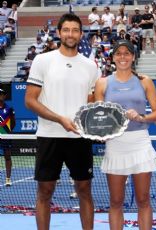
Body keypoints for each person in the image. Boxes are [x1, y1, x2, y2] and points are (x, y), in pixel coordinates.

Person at [25, 13, 98, 230]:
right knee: (45, 192)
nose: (70, 34)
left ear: (81, 34)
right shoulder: (42, 60)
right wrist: (59, 119)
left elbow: (91, 103)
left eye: (75, 30)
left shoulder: (90, 66)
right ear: (58, 33)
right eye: (66, 30)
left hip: (79, 138)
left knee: (85, 190)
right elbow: (29, 100)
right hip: (49, 136)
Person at [94, 39, 156, 230]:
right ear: (113, 57)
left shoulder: (144, 81)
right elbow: (98, 116)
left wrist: (141, 117)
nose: (122, 57)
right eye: (118, 53)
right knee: (116, 201)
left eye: (127, 53)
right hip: (115, 144)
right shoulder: (102, 83)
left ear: (133, 57)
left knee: (143, 199)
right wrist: (103, 131)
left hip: (140, 142)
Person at [0, 88, 15, 187]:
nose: (1, 95)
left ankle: (8, 179)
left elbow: (13, 123)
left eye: (2, 94)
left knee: (7, 157)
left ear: (5, 96)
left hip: (5, 136)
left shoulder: (9, 109)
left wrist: (7, 131)